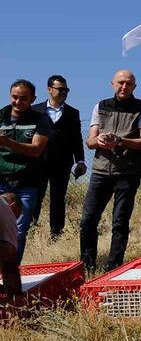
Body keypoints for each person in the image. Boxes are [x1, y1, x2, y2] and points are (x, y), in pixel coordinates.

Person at [79, 70, 141, 272]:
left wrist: (120, 141)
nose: (124, 86)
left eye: (128, 84)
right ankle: (86, 266)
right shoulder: (101, 106)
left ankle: (114, 267)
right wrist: (100, 140)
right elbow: (90, 141)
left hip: (128, 172)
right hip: (101, 170)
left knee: (119, 222)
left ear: (134, 87)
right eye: (120, 82)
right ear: (112, 84)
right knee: (87, 220)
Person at [0, 80, 50, 262]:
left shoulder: (40, 119)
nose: (18, 102)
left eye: (23, 98)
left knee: (18, 231)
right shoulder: (1, 116)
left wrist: (7, 143)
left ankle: (11, 275)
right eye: (15, 97)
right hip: (2, 181)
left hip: (27, 183)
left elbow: (36, 149)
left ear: (32, 99)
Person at [32, 75, 86, 238]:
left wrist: (80, 161)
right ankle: (30, 231)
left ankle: (56, 233)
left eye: (66, 90)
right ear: (49, 89)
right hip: (37, 162)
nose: (63, 92)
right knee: (35, 197)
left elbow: (77, 138)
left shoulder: (72, 113)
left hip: (62, 163)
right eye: (59, 89)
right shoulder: (34, 110)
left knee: (58, 199)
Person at [0, 193, 22, 299]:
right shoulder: (6, 209)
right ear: (12, 206)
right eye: (16, 216)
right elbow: (9, 252)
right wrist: (17, 298)